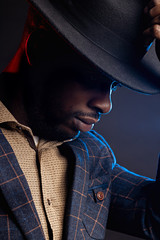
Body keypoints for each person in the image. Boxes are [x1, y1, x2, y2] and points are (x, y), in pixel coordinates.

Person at [0, 0, 160, 239]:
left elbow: (155, 220)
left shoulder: (92, 156)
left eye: (113, 87)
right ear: (39, 50)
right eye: (92, 77)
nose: (106, 105)